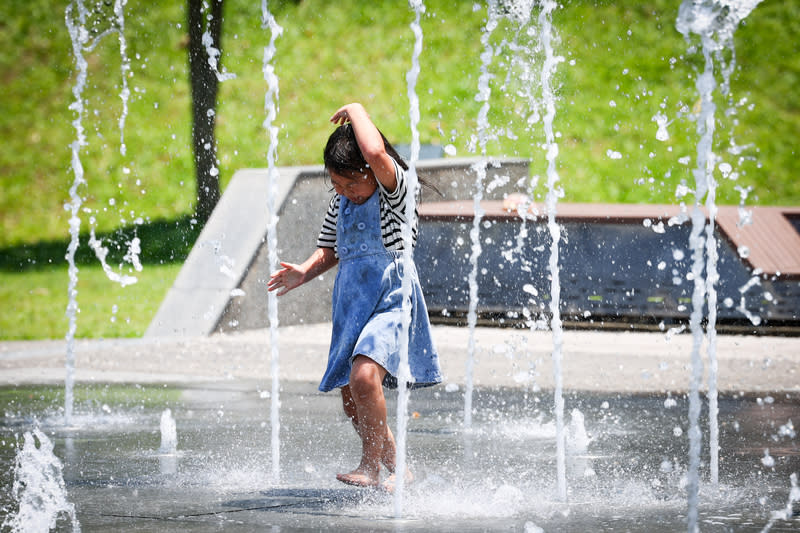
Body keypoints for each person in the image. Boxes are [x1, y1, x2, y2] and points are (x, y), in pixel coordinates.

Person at [267, 103, 442, 490]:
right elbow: (330, 248)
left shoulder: (396, 195)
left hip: (391, 299)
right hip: (351, 304)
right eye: (337, 184)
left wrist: (359, 111)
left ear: (372, 173)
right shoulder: (340, 202)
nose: (345, 192)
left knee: (364, 378)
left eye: (352, 183)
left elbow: (377, 153)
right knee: (353, 399)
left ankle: (371, 466)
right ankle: (399, 469)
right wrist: (304, 271)